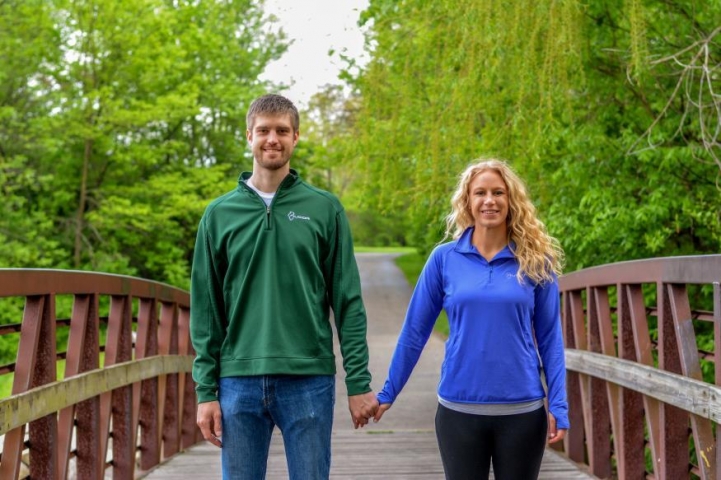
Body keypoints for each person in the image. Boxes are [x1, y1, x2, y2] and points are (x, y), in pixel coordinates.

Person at [189, 93, 378, 480]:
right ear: (248, 136)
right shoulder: (219, 215)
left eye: (281, 131)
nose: (271, 139)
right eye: (263, 131)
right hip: (238, 378)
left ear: (296, 137)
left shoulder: (325, 208)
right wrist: (205, 391)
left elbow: (348, 303)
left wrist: (358, 382)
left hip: (308, 377)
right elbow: (206, 309)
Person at [373, 159, 569, 480]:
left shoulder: (537, 262)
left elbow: (550, 339)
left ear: (511, 201)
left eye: (498, 192)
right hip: (458, 411)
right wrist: (388, 393)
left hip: (522, 412)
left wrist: (559, 405)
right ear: (467, 201)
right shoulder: (444, 259)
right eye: (480, 193)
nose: (489, 200)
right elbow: (414, 332)